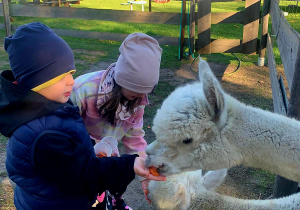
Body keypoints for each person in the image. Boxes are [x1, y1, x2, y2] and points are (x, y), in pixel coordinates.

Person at [0, 22, 166, 210]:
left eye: (71, 73)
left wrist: (141, 168)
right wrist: (129, 165)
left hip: (85, 169)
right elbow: (84, 172)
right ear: (40, 80)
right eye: (62, 76)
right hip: (67, 191)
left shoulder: (49, 110)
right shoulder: (46, 131)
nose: (72, 81)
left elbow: (133, 137)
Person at [70, 32, 162, 208]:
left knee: (105, 194)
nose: (141, 97)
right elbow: (64, 132)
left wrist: (145, 174)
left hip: (108, 161)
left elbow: (135, 138)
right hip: (79, 160)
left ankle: (109, 202)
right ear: (122, 80)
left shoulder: (137, 101)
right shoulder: (83, 91)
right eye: (136, 91)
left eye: (145, 92)